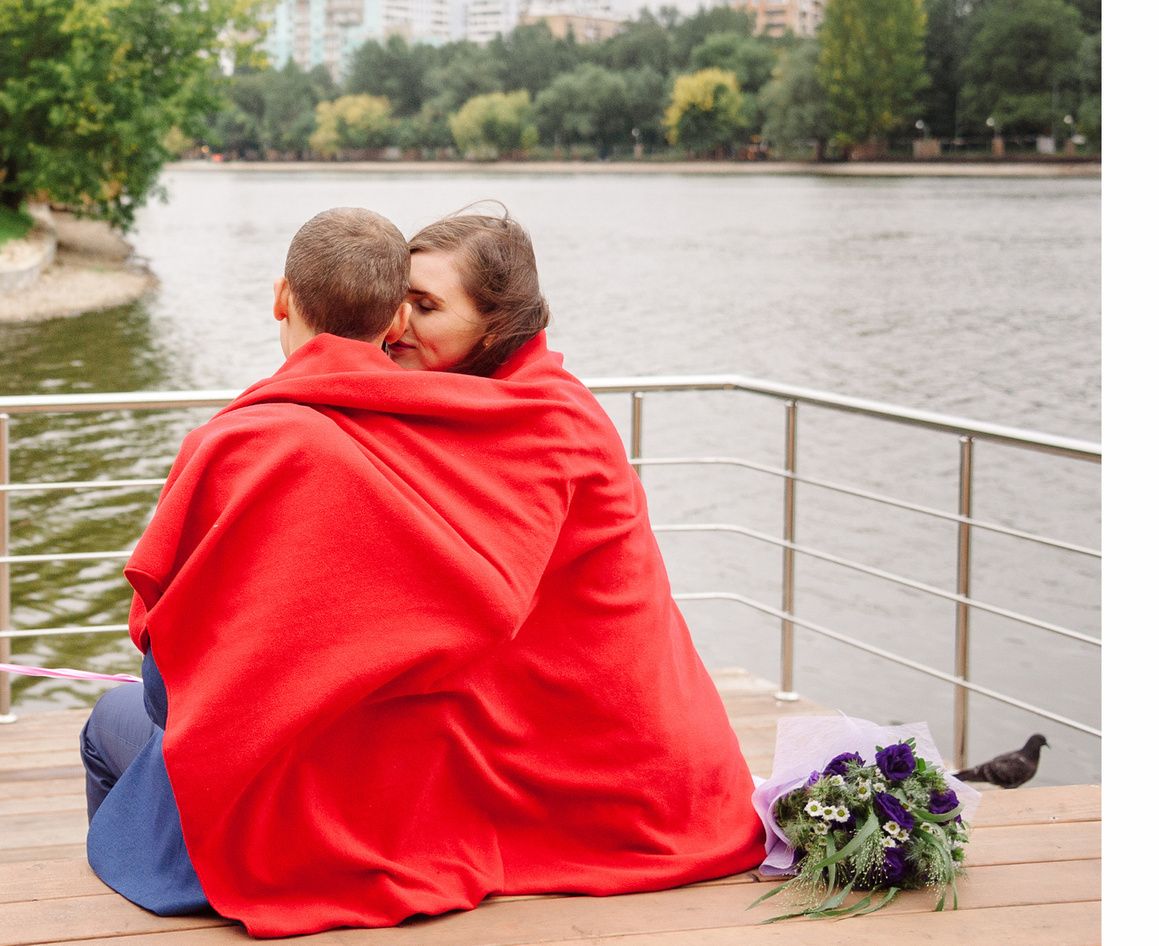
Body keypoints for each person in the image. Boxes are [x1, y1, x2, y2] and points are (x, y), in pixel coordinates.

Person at [80, 206, 765, 937]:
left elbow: (484, 600)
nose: (398, 323)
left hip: (602, 764)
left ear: (497, 330)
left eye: (427, 306)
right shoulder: (441, 411)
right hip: (472, 743)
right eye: (398, 299)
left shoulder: (546, 427)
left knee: (123, 727)